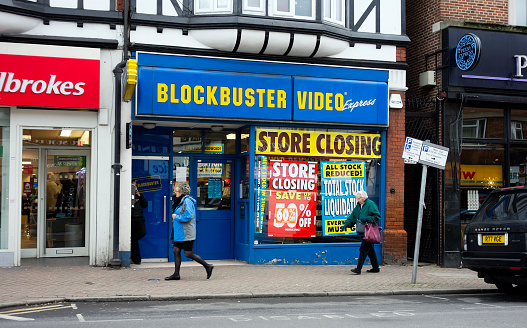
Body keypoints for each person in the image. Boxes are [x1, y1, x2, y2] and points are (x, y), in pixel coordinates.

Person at [165, 182, 214, 281]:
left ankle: (207, 266)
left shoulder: (187, 201)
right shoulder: (181, 201)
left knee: (188, 253)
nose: (175, 193)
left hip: (186, 232)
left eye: (177, 191)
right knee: (176, 250)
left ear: (182, 192)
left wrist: (176, 216)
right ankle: (176, 274)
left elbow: (188, 216)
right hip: (179, 232)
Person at [341, 190, 381, 275]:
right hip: (362, 231)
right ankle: (375, 268)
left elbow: (377, 217)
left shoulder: (371, 204)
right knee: (370, 250)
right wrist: (346, 224)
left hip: (368, 232)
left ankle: (358, 269)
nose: (357, 200)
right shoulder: (358, 206)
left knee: (363, 249)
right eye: (357, 198)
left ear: (364, 198)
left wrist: (367, 218)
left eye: (358, 198)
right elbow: (352, 217)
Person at [131, 180, 147, 264]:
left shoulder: (139, 195)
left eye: (135, 186)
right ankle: (136, 259)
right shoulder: (127, 196)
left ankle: (136, 258)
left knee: (141, 233)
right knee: (134, 240)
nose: (135, 188)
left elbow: (145, 204)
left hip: (139, 218)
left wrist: (139, 195)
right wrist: (132, 202)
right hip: (132, 219)